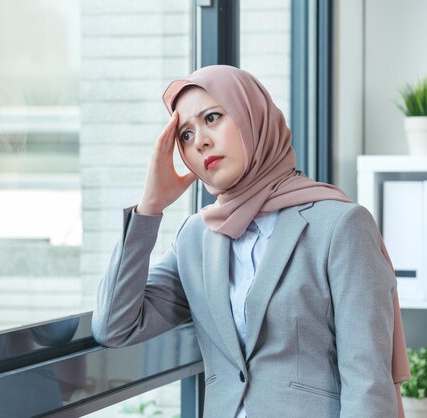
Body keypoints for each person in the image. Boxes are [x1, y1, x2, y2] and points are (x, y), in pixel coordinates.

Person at [91, 65, 411, 418]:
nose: (200, 141)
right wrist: (149, 207)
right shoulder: (195, 238)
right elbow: (114, 325)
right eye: (185, 135)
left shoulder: (339, 225)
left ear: (251, 116)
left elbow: (367, 384)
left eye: (212, 117)